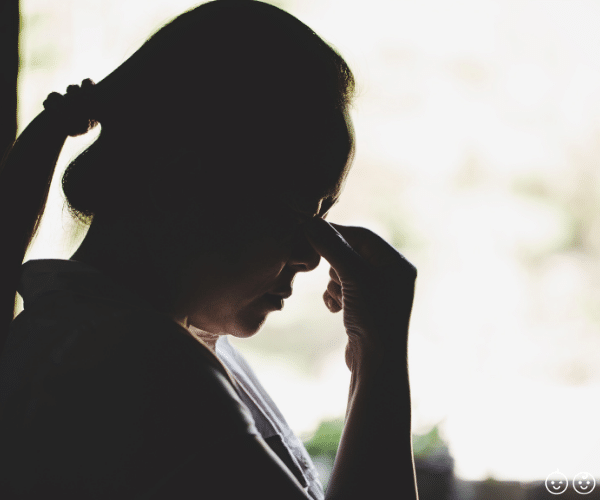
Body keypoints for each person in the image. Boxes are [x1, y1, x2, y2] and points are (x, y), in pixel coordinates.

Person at [0, 0, 419, 498]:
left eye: (323, 219)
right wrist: (381, 356)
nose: (311, 258)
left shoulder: (113, 341)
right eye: (299, 213)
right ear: (186, 183)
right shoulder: (138, 371)